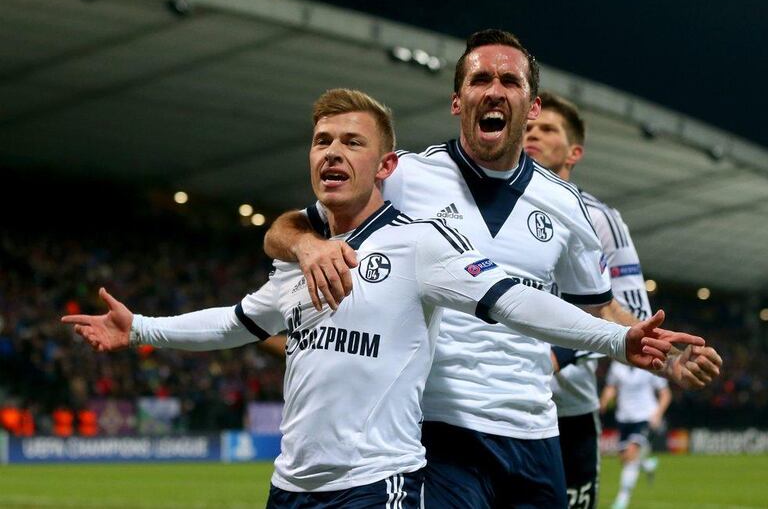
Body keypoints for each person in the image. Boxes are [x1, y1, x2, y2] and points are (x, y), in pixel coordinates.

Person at [62, 88, 701, 509]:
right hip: (289, 486)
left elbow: (510, 299)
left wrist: (618, 336)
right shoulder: (303, 257)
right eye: (322, 142)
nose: (333, 153)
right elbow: (235, 323)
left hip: (379, 486)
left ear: (387, 166)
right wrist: (140, 327)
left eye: (352, 143)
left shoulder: (421, 246)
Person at [263, 31, 722, 508]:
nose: (494, 90)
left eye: (510, 80)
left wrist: (656, 351)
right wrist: (307, 246)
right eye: (480, 79)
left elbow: (598, 307)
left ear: (533, 105)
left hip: (534, 433)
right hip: (435, 433)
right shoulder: (402, 177)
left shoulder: (565, 205)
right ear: (458, 102)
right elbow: (284, 228)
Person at [524, 91, 721, 509]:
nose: (532, 134)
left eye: (546, 128)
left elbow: (627, 319)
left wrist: (557, 355)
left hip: (567, 409)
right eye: (527, 127)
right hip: (478, 405)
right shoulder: (480, 206)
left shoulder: (599, 219)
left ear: (573, 151)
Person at [600, 361, 672, 509]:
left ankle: (622, 500)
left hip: (645, 416)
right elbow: (611, 387)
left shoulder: (651, 364)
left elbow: (665, 394)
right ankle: (646, 465)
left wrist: (658, 414)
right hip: (624, 418)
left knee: (631, 453)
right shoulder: (616, 365)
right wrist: (604, 401)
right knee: (624, 458)